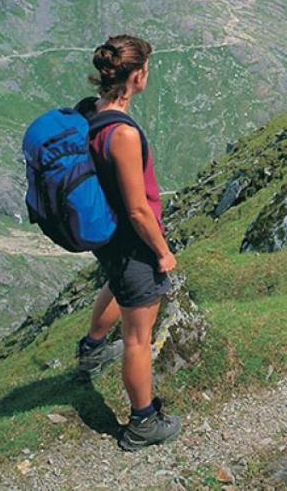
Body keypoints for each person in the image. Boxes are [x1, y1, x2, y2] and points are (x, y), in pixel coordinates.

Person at [76, 36, 182, 451]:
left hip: (109, 238)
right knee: (138, 338)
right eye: (147, 69)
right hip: (131, 239)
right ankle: (142, 423)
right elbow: (139, 211)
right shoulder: (123, 134)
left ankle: (91, 349)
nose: (148, 76)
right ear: (136, 76)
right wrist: (162, 252)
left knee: (117, 287)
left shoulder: (92, 111)